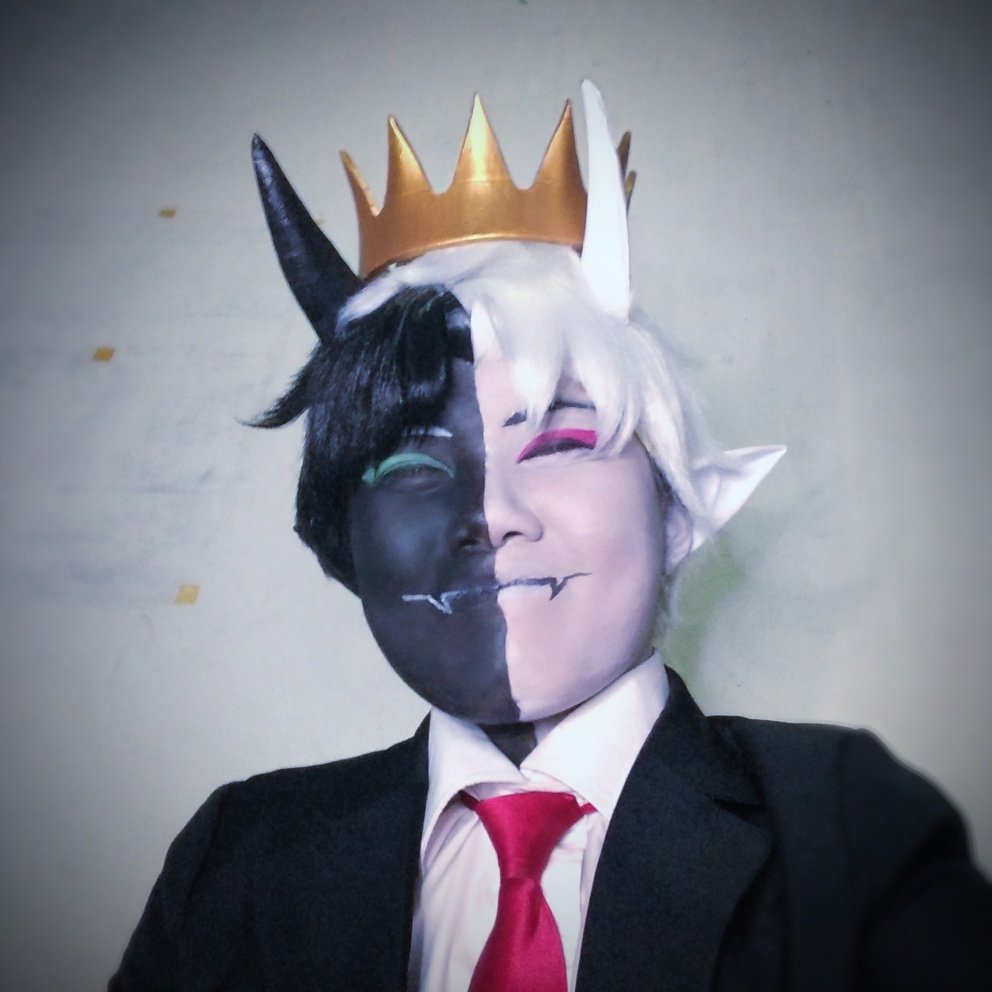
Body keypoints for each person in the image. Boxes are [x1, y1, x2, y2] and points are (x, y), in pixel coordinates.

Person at [111, 82, 992, 991]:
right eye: (411, 466)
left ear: (675, 506)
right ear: (346, 546)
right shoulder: (237, 861)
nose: (494, 513)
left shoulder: (849, 831)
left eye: (563, 444)